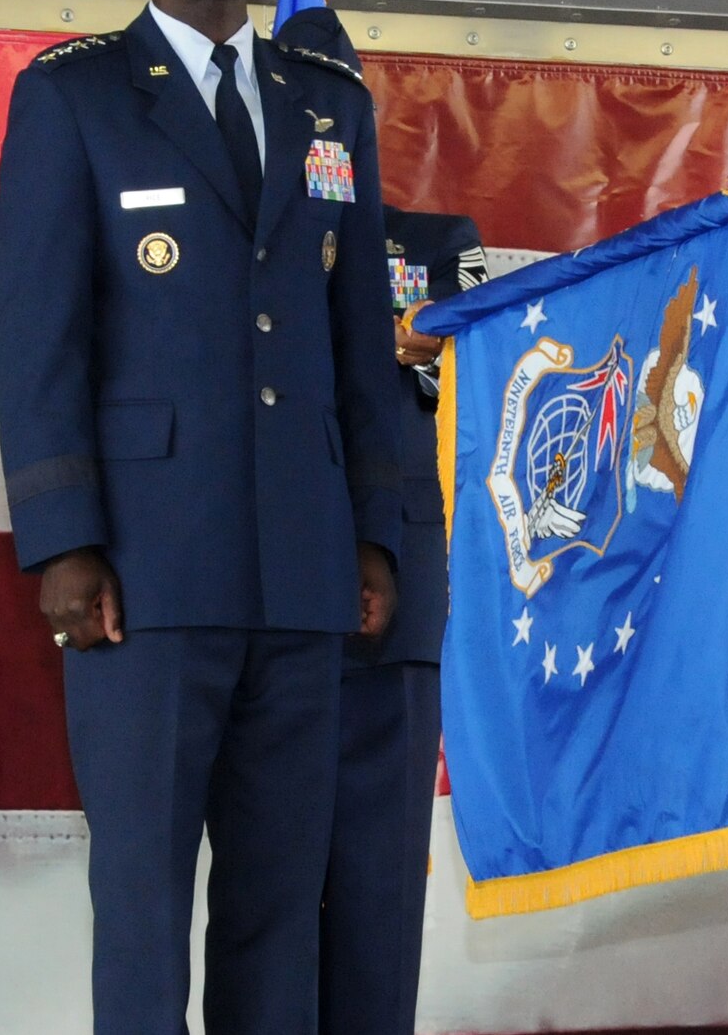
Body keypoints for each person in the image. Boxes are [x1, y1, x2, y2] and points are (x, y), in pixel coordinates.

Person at [0, 0, 401, 1035]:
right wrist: (63, 542)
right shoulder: (75, 96)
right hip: (145, 580)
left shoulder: (327, 101)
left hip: (301, 567)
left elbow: (353, 342)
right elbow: (38, 331)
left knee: (282, 900)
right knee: (144, 896)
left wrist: (374, 532)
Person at [317, 192, 488, 1035]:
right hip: (256, 589)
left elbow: (478, 355)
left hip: (403, 595)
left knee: (381, 887)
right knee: (262, 887)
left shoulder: (436, 239)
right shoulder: (227, 224)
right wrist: (381, 340)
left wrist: (373, 342)